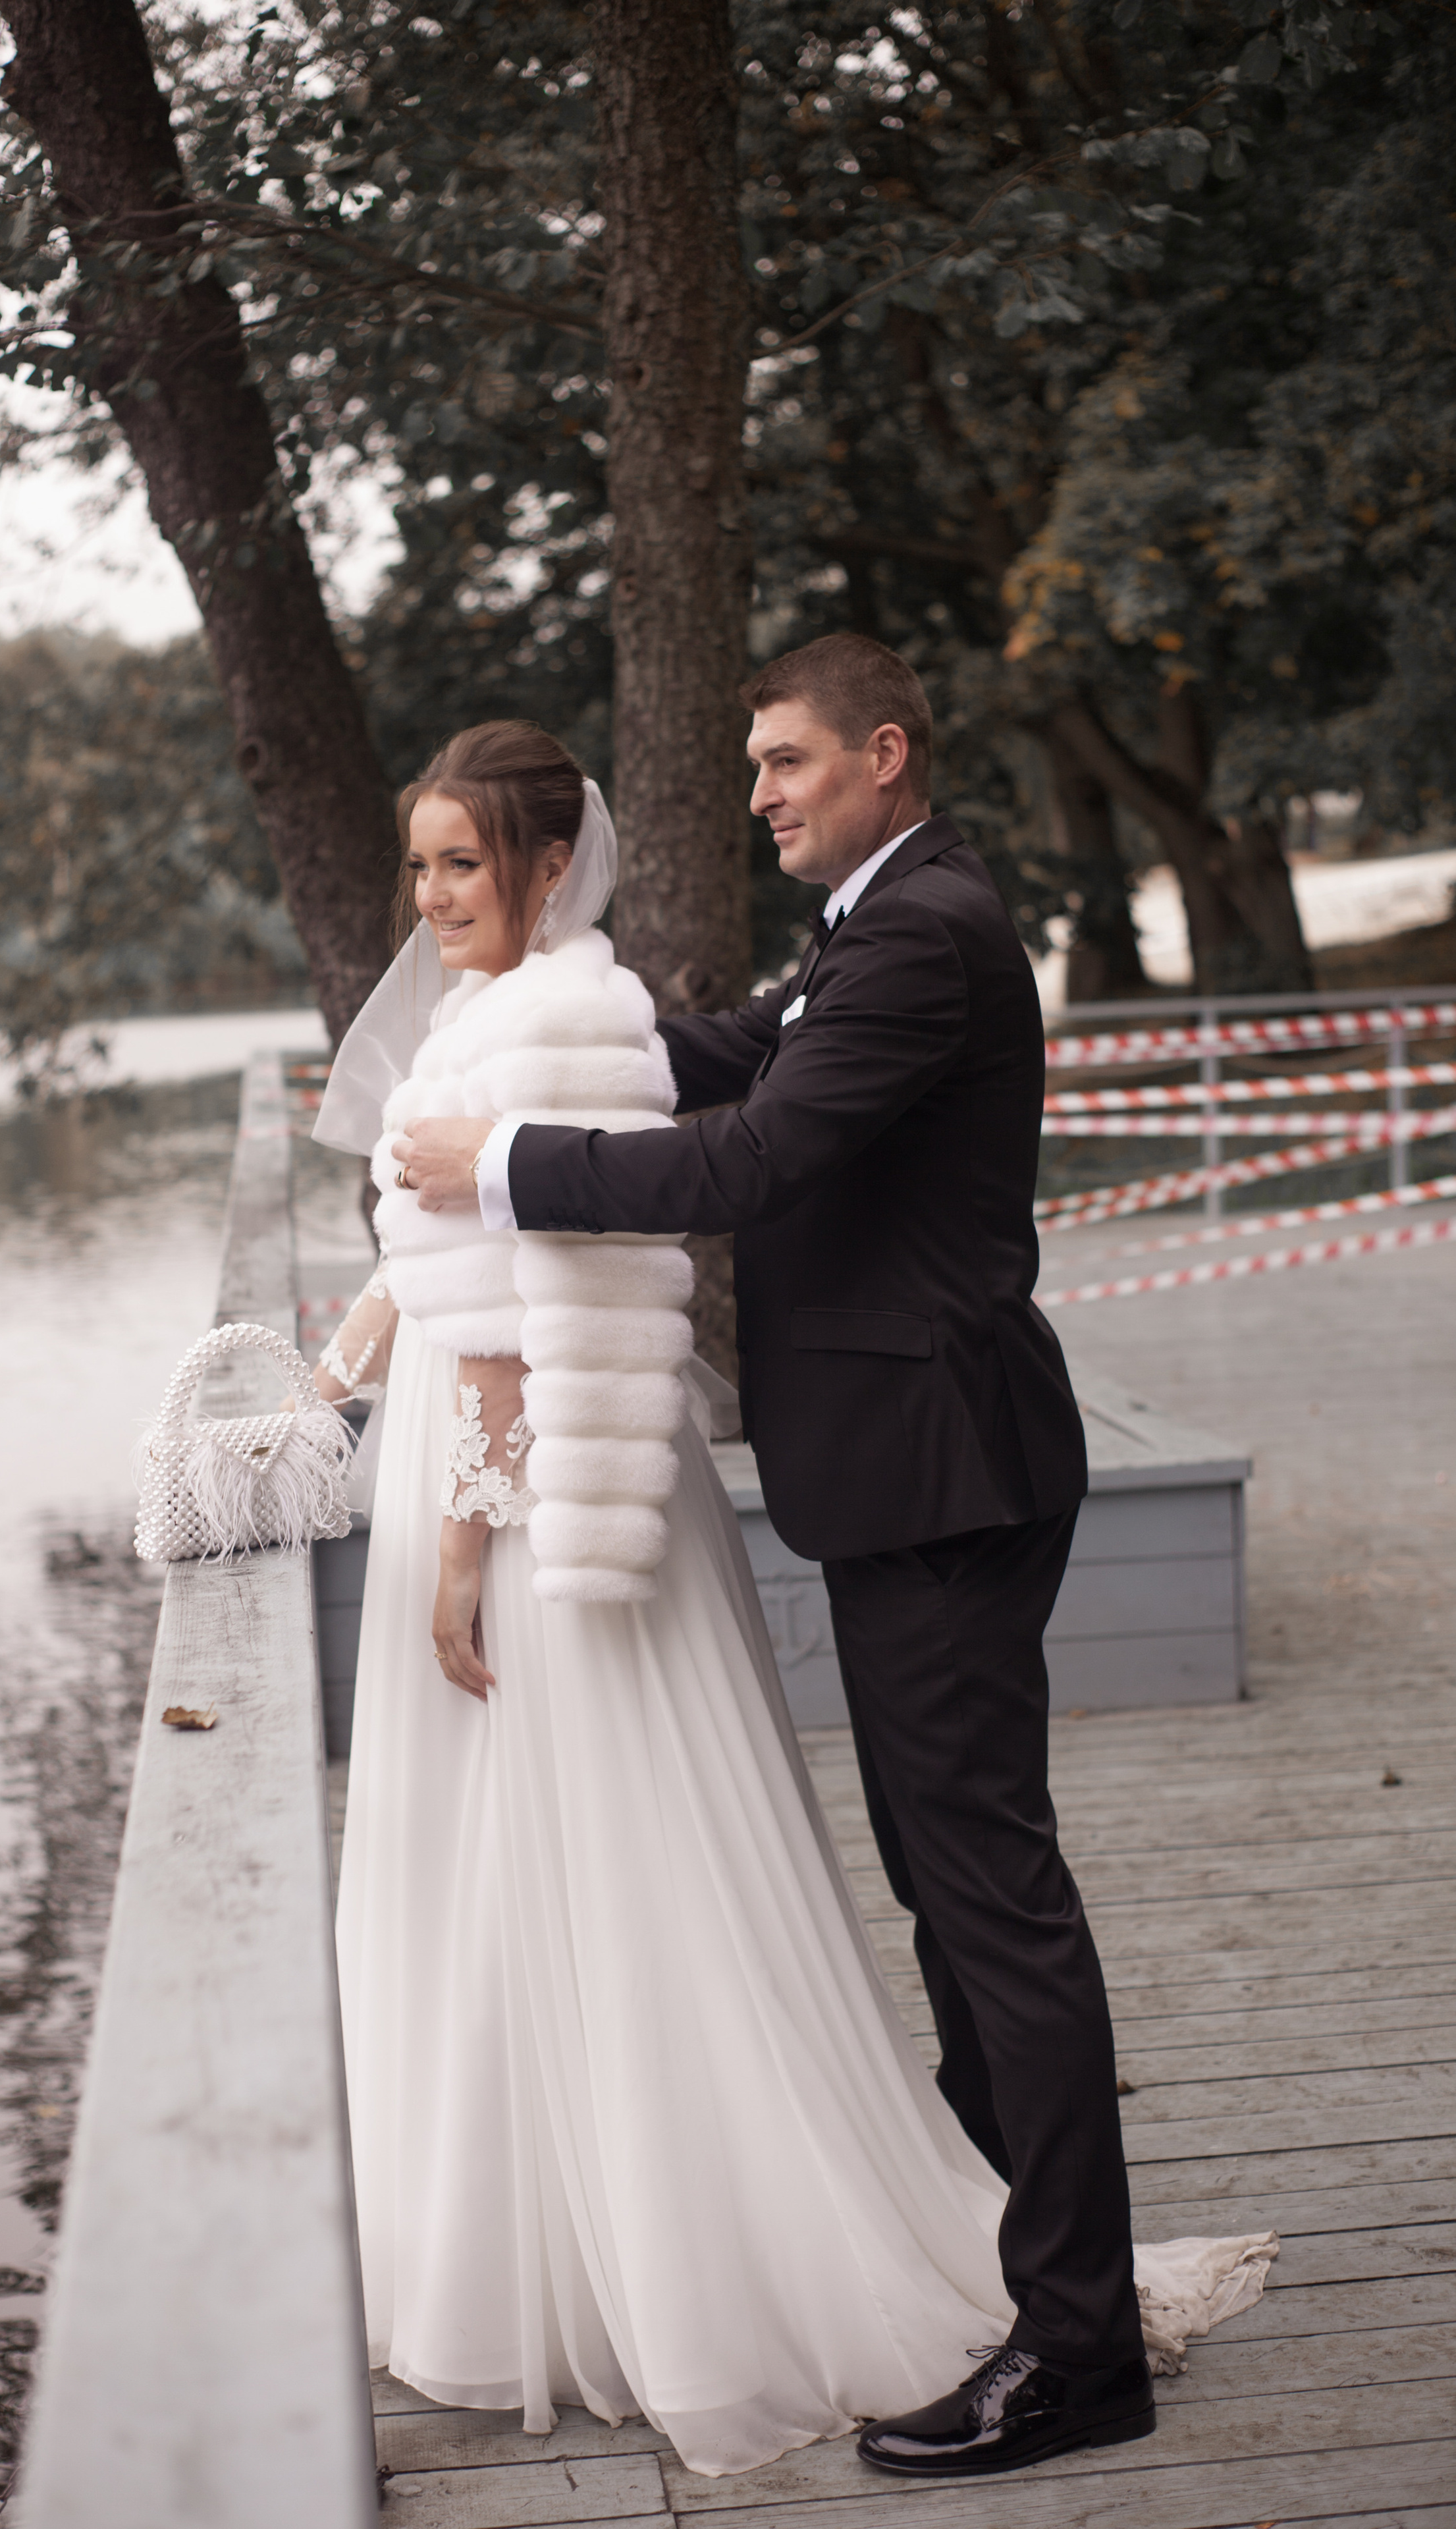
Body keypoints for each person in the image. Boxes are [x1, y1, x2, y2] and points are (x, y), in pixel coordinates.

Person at [319, 692, 1270, 2485]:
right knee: (951, 1893)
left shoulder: (931, 932)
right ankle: (1010, 2268)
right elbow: (730, 1054)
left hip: (945, 1468)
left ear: (888, 754)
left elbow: (758, 1155)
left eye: (787, 762)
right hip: (908, 1467)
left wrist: (505, 1157)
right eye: (751, 760)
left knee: (994, 1904)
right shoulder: (867, 932)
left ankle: (1074, 2352)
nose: (756, 792)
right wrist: (561, 1031)